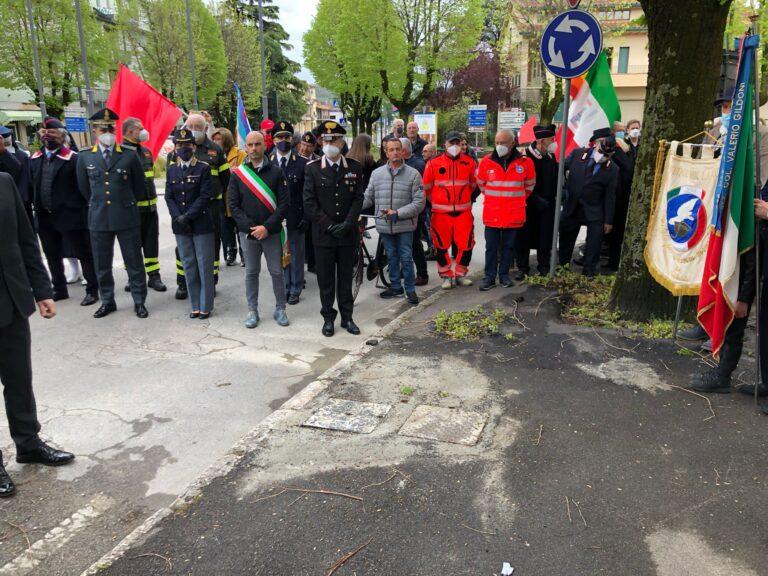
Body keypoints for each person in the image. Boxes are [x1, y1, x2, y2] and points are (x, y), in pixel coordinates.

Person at [0, 172, 75, 498]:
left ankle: (28, 444)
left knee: (19, 380)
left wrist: (42, 290)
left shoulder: (3, 182)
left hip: (12, 301)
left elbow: (26, 239)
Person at [76, 108, 148, 318]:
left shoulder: (128, 155)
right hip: (99, 218)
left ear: (115, 130)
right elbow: (84, 189)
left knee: (134, 263)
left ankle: (139, 301)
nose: (106, 132)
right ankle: (107, 301)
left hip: (126, 216)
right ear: (95, 131)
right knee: (102, 264)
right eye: (102, 128)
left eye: (109, 128)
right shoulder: (85, 157)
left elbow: (139, 187)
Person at [303, 121, 365, 337]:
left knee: (346, 279)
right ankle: (328, 318)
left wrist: (348, 222)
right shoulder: (312, 169)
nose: (330, 144)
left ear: (342, 141)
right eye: (326, 140)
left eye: (334, 140)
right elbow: (309, 203)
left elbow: (358, 198)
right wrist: (329, 225)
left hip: (347, 234)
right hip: (323, 235)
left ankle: (347, 318)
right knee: (326, 281)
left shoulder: (355, 167)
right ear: (321, 142)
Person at [30, 117, 98, 306]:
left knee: (84, 253)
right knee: (52, 254)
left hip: (71, 215)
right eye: (44, 132)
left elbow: (84, 188)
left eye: (52, 132)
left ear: (62, 136)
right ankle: (59, 288)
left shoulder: (73, 159)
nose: (47, 136)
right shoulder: (35, 159)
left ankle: (93, 289)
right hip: (45, 215)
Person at [229, 131, 289, 328]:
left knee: (277, 272)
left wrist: (267, 227)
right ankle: (252, 310)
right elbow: (234, 206)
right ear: (246, 147)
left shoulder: (276, 172)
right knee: (251, 273)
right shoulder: (238, 174)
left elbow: (284, 204)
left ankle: (280, 308)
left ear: (264, 145)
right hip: (249, 234)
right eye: (250, 145)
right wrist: (252, 228)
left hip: (270, 233)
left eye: (257, 144)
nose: (254, 148)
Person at [170, 114, 229, 299]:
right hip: (184, 208)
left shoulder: (216, 150)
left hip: (211, 207)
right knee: (183, 248)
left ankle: (210, 282)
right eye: (191, 126)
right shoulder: (177, 151)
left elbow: (226, 180)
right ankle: (183, 282)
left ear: (205, 129)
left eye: (198, 126)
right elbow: (172, 182)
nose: (194, 129)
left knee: (212, 245)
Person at [363, 137, 425, 304]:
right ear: (386, 152)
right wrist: (352, 206)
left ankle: (410, 290)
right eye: (391, 150)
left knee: (406, 257)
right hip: (384, 225)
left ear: (403, 151)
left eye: (398, 149)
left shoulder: (413, 174)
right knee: (391, 257)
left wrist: (398, 213)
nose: (395, 152)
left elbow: (419, 203)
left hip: (404, 224)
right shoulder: (376, 174)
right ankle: (396, 287)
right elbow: (368, 197)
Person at [476, 129, 536, 290]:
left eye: (503, 142)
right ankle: (489, 277)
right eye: (497, 142)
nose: (499, 145)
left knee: (509, 248)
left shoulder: (525, 162)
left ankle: (504, 276)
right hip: (493, 212)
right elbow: (481, 183)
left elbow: (530, 185)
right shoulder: (487, 161)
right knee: (491, 247)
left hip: (513, 213)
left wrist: (516, 199)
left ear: (512, 143)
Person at [165, 128, 215, 319]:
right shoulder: (171, 169)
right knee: (189, 266)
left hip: (201, 224)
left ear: (194, 146)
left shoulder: (203, 168)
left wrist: (188, 216)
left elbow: (204, 196)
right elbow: (169, 197)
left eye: (187, 144)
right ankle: (195, 305)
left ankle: (206, 305)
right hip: (180, 226)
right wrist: (178, 216)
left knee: (204, 266)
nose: (183, 148)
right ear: (175, 147)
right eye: (179, 144)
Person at [558, 127, 619, 277]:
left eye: (606, 155)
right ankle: (563, 267)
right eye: (601, 151)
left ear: (611, 154)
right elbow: (559, 170)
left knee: (594, 243)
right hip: (572, 206)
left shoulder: (613, 169)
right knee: (566, 239)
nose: (602, 156)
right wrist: (563, 192)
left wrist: (608, 221)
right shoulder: (578, 154)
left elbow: (610, 196)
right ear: (596, 145)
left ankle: (589, 271)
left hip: (594, 209)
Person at [422, 130, 478, 289]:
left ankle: (461, 273)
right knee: (441, 246)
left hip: (463, 213)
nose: (454, 146)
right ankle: (446, 275)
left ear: (461, 144)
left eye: (457, 143)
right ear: (444, 144)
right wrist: (437, 203)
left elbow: (473, 185)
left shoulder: (470, 162)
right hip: (440, 214)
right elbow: (426, 188)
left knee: (467, 244)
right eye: (451, 143)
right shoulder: (433, 164)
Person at [121, 117, 167, 293]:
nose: (143, 131)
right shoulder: (122, 153)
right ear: (130, 131)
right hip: (132, 210)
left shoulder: (146, 152)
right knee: (132, 245)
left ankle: (154, 277)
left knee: (151, 243)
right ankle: (133, 277)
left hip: (150, 207)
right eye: (140, 128)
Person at [269, 121, 308, 305]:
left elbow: (308, 195)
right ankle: (283, 287)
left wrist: (306, 217)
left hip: (295, 218)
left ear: (292, 139)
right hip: (274, 220)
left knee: (296, 255)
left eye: (286, 137)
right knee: (278, 255)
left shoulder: (303, 164)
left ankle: (295, 289)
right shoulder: (266, 163)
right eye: (279, 137)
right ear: (273, 139)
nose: (283, 140)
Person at [518, 124, 558, 278]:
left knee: (545, 237)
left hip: (548, 206)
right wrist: (536, 199)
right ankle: (523, 267)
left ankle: (544, 266)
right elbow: (522, 183)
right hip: (530, 205)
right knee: (524, 237)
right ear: (541, 140)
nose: (554, 141)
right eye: (551, 139)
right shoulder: (526, 157)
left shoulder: (550, 156)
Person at [212, 127, 247, 267]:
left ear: (226, 140)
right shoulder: (214, 155)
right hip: (222, 198)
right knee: (225, 230)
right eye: (214, 139)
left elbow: (247, 172)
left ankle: (244, 255)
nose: (215, 141)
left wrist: (235, 171)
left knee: (240, 228)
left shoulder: (240, 154)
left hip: (238, 199)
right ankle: (230, 254)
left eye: (218, 139)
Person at [605, 121, 636, 272]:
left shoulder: (626, 148)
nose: (622, 133)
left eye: (624, 131)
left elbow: (629, 168)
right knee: (614, 233)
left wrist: (629, 150)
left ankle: (614, 262)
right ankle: (612, 261)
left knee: (617, 232)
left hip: (621, 196)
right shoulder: (617, 148)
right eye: (620, 131)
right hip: (615, 195)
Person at [400, 138, 429, 286]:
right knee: (405, 243)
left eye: (397, 149)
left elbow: (423, 191)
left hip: (416, 212)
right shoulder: (404, 164)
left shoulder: (418, 165)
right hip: (402, 211)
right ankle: (404, 270)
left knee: (414, 243)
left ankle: (422, 274)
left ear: (403, 151)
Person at [0, 125, 32, 224]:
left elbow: (25, 178)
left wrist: (24, 198)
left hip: (21, 200)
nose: (4, 140)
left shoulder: (21, 155)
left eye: (6, 136)